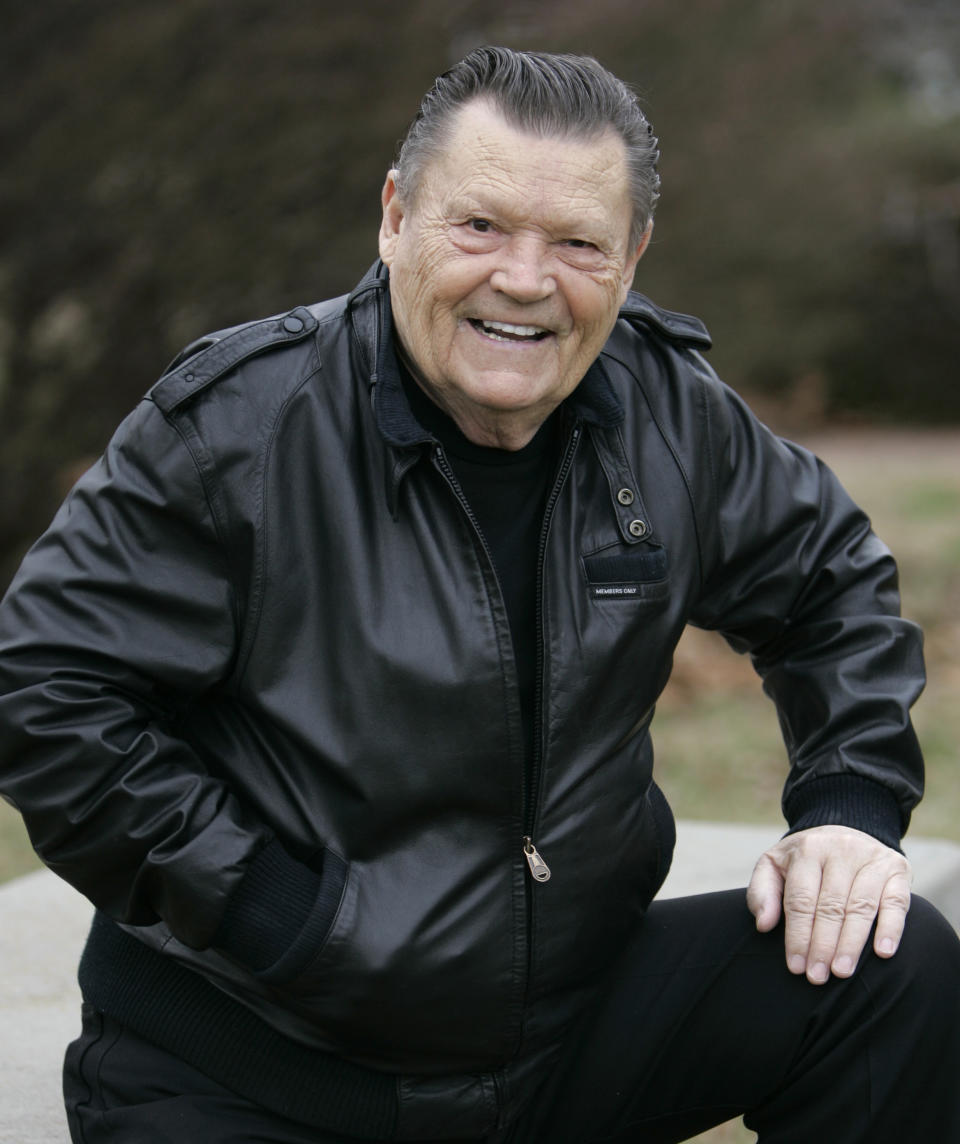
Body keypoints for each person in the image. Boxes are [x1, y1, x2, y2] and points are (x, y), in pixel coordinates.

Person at [0, 46, 958, 1144]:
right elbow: (46, 692)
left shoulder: (670, 413)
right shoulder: (232, 431)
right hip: (257, 1061)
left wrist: (850, 805)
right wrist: (273, 914)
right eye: (481, 227)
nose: (524, 277)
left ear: (633, 255)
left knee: (891, 968)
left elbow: (833, 583)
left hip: (557, 1038)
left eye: (578, 244)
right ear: (396, 214)